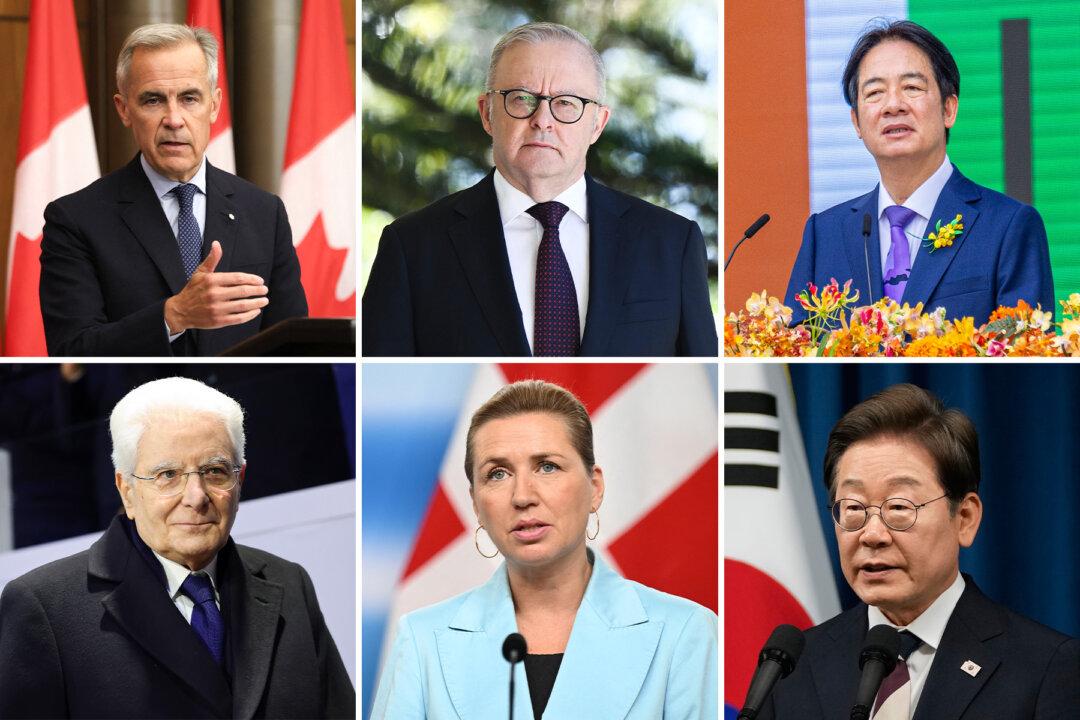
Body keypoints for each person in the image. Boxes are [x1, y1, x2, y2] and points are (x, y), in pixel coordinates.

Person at [0, 377, 354, 718]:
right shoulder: (44, 608)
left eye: (215, 471)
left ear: (240, 480)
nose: (196, 497)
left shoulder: (290, 584)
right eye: (168, 475)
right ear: (127, 491)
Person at [362, 22, 717, 357]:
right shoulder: (411, 247)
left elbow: (703, 378)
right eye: (521, 98)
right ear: (487, 113)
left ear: (597, 124)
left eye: (566, 102)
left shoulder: (672, 243)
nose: (542, 120)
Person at [371, 380, 717, 718]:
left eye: (547, 466)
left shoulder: (684, 631)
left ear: (595, 487)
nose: (523, 496)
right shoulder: (421, 640)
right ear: (475, 504)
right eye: (498, 474)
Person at [763, 384, 1079, 719]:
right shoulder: (791, 666)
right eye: (854, 508)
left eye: (899, 507)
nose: (872, 535)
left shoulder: (1046, 668)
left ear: (965, 518)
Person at [39, 24, 307, 357]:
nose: (174, 119)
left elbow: (295, 346)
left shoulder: (264, 212)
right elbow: (72, 352)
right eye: (153, 100)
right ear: (124, 109)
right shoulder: (76, 219)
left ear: (214, 105)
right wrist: (173, 316)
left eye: (189, 98)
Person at [784, 20, 1054, 326]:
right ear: (857, 122)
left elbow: (1025, 345)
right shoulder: (824, 235)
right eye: (874, 92)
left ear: (948, 109)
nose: (893, 105)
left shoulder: (1008, 227)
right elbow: (795, 344)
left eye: (911, 88)